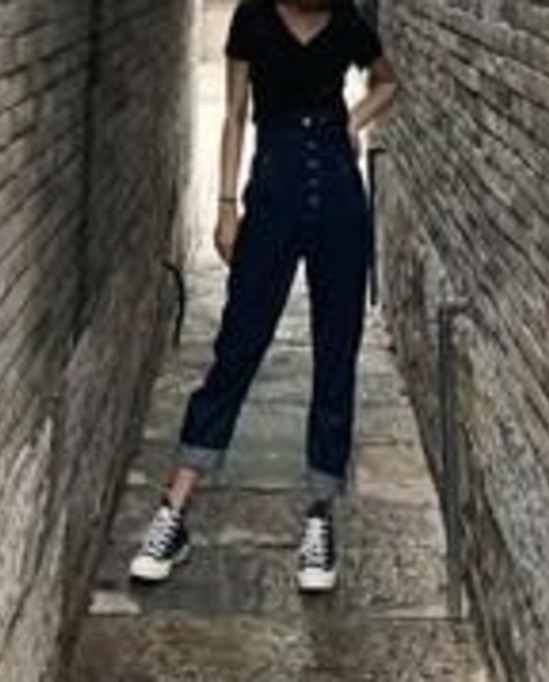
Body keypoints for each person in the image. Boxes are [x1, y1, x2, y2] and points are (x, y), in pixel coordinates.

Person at [129, 0, 398, 592]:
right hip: (273, 194)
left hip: (339, 200)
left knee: (336, 353)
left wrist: (352, 122)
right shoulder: (252, 18)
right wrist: (226, 205)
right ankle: (175, 510)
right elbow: (234, 115)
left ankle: (320, 515)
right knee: (238, 345)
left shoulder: (348, 20)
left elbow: (388, 80)